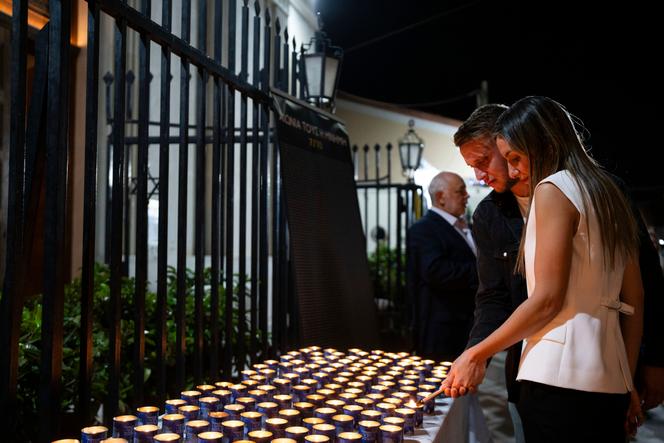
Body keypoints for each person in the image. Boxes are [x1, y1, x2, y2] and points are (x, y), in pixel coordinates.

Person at [443, 96, 644, 441]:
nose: (516, 170)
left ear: (539, 142)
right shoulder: (608, 192)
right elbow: (634, 298)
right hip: (610, 378)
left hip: (554, 375)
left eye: (514, 158)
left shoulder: (551, 189)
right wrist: (628, 379)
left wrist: (476, 354)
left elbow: (548, 299)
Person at [453, 104, 530, 442]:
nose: (479, 177)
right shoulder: (489, 215)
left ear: (506, 143)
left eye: (483, 162)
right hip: (522, 360)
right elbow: (493, 295)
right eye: (472, 168)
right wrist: (475, 353)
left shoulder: (575, 194)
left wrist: (651, 361)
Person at [406, 171, 478, 361]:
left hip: (467, 326)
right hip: (443, 331)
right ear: (441, 197)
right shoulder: (424, 229)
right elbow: (436, 272)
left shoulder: (464, 225)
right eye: (460, 191)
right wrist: (484, 271)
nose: (467, 195)